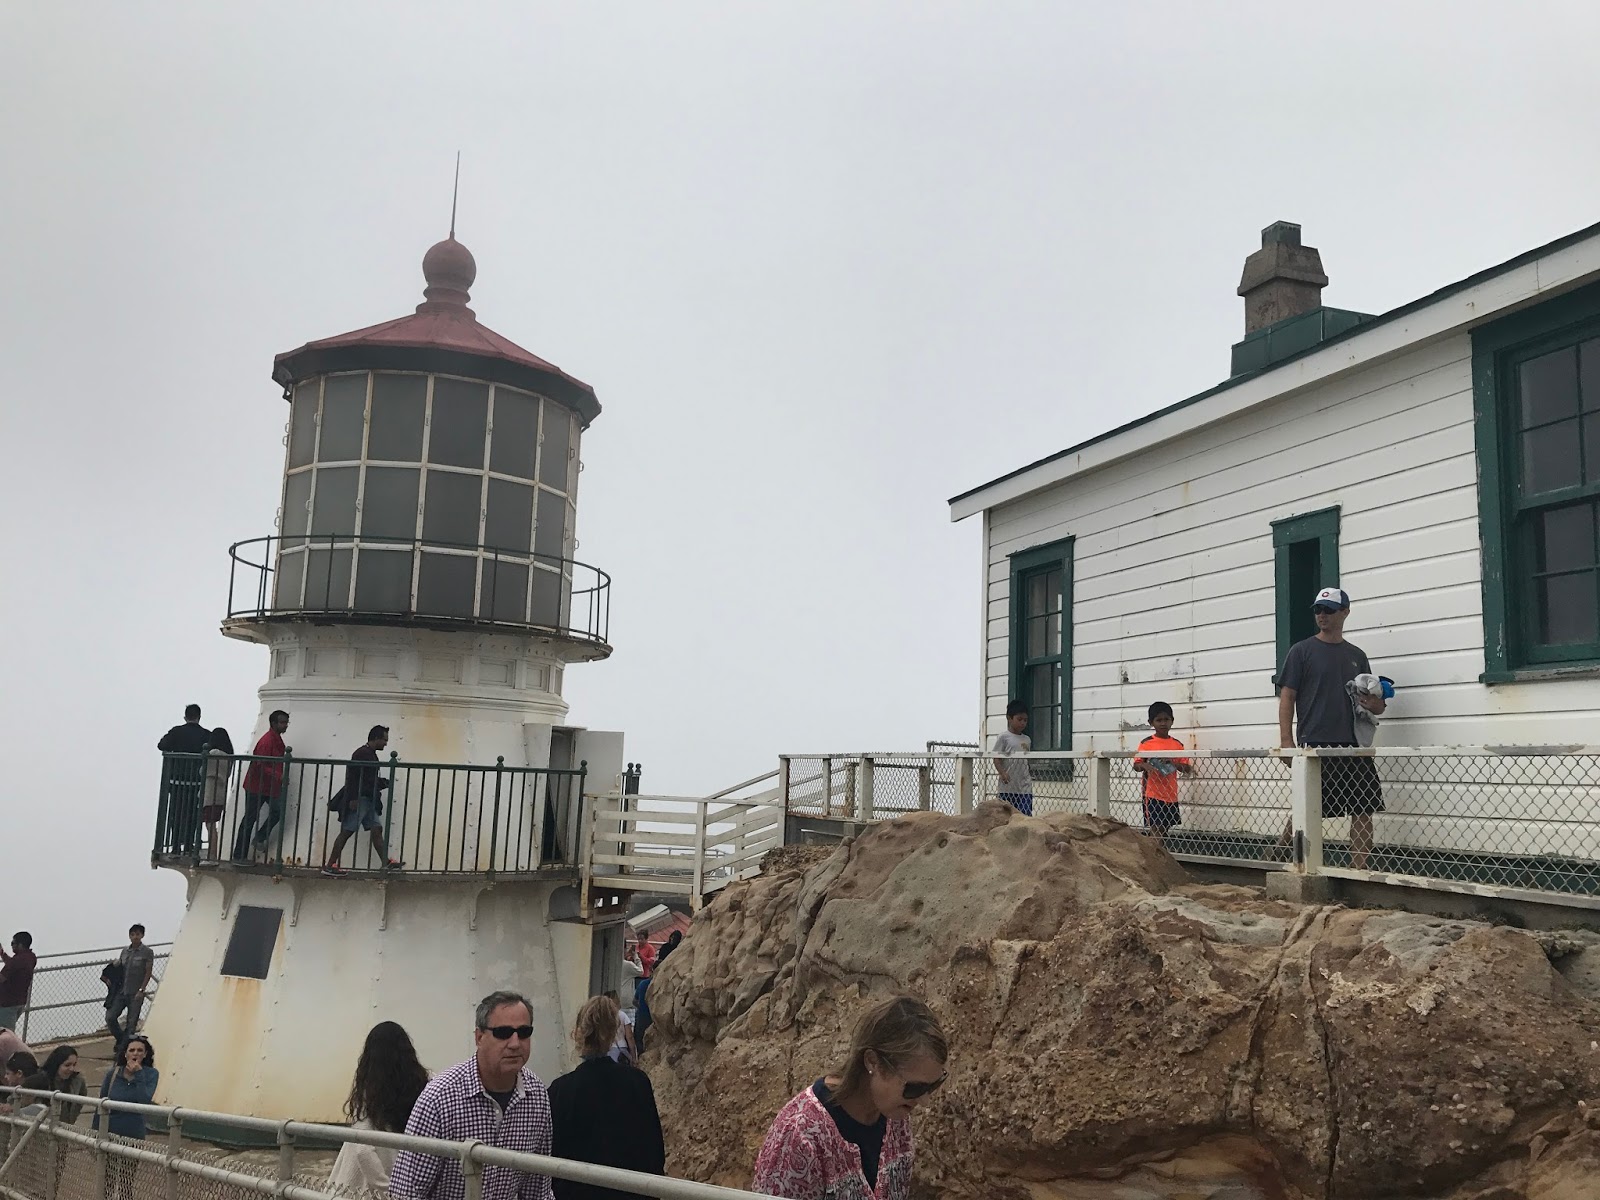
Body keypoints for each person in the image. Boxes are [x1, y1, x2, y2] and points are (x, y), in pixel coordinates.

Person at [752, 996, 949, 1200]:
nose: (924, 1101)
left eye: (933, 1085)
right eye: (914, 1087)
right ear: (873, 1062)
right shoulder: (799, 1135)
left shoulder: (895, 1117)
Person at [389, 990, 555, 1200]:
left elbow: (538, 1191)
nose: (515, 1043)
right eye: (503, 1033)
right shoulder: (440, 1097)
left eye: (524, 1032)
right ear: (479, 1037)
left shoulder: (537, 1096)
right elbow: (406, 1192)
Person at [1276, 587, 1387, 869]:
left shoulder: (1357, 655)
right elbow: (1287, 696)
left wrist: (1374, 705)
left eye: (1328, 610)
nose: (1322, 615)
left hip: (1353, 745)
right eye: (1318, 610)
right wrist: (1286, 741)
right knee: (1307, 809)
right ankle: (1277, 859)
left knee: (1363, 809)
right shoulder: (1301, 651)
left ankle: (1359, 870)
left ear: (1345, 612)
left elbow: (1375, 704)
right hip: (1316, 743)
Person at [548, 995, 665, 1200]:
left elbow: (553, 1156)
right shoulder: (638, 1082)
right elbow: (653, 1149)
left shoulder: (560, 1090)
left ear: (576, 1035)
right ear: (613, 1034)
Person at [329, 1021, 431, 1194]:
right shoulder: (426, 1084)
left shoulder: (371, 1091)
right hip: (406, 1178)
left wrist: (388, 1190)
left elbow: (362, 1150)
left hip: (360, 1189)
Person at [324, 726, 402, 877]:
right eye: (384, 740)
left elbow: (364, 777)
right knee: (347, 831)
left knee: (376, 830)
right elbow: (354, 777)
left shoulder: (367, 753)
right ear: (376, 738)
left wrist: (380, 782)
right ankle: (329, 865)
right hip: (361, 799)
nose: (386, 743)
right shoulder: (363, 754)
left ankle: (386, 862)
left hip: (366, 799)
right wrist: (353, 798)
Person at [95, 1036, 157, 1200]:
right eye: (132, 1050)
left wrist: (139, 1075)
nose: (135, 1053)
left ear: (145, 1054)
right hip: (110, 1131)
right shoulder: (113, 1074)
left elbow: (144, 1099)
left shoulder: (151, 1074)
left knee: (126, 1180)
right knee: (107, 1177)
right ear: (125, 1054)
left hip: (133, 1132)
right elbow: (101, 1102)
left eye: (139, 1050)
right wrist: (95, 1131)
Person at [1132, 702, 1192, 847]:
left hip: (1171, 794)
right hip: (1152, 794)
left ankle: (1156, 855)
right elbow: (1137, 764)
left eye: (1166, 719)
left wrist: (1172, 762)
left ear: (1172, 721)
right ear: (1151, 722)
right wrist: (1144, 766)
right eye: (1159, 720)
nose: (1163, 723)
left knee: (1164, 829)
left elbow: (1186, 768)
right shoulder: (1147, 743)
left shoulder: (1177, 745)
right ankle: (1153, 859)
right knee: (1156, 829)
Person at [236, 710, 292, 861]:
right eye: (282, 722)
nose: (285, 725)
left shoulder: (275, 740)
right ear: (274, 724)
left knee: (276, 812)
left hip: (267, 786)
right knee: (250, 819)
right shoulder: (267, 741)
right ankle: (239, 855)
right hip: (257, 786)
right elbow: (259, 764)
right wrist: (279, 776)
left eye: (286, 722)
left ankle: (259, 838)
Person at [158, 704, 211, 855]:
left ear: (185, 717)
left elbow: (161, 745)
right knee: (193, 815)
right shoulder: (206, 735)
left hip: (177, 782)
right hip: (196, 782)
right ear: (199, 717)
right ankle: (189, 845)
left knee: (176, 814)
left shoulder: (176, 732)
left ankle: (175, 846)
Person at [106, 925, 155, 1041]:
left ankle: (125, 1047)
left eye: (138, 934)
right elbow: (119, 968)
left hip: (135, 993)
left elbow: (148, 972)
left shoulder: (147, 952)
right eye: (132, 934)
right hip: (121, 991)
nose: (135, 937)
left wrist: (141, 990)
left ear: (142, 935)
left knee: (131, 1024)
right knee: (110, 1017)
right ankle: (121, 1040)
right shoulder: (124, 951)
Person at [23, 1045, 87, 1123]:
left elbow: (81, 1099)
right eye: (67, 1065)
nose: (71, 1069)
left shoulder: (78, 1081)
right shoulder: (39, 1079)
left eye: (74, 1065)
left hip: (65, 1126)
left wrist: (71, 1116)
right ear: (56, 1064)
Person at [992, 700, 1034, 816]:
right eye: (1019, 719)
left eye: (1025, 720)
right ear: (1009, 718)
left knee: (1024, 814)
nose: (1022, 723)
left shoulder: (1027, 739)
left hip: (1024, 785)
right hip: (1008, 786)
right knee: (1006, 816)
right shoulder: (1004, 737)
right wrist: (1002, 772)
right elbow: (996, 758)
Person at [202, 727, 236, 861]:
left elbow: (203, 771)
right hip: (220, 793)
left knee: (210, 825)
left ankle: (212, 855)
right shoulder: (228, 756)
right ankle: (213, 852)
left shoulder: (214, 753)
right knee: (212, 824)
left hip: (210, 793)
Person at [0, 932, 37, 1032]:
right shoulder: (31, 957)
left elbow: (2, 977)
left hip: (7, 1004)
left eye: (13, 943)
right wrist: (2, 954)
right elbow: (13, 966)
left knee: (5, 1034)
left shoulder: (17, 961)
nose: (11, 945)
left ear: (20, 945)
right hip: (19, 1002)